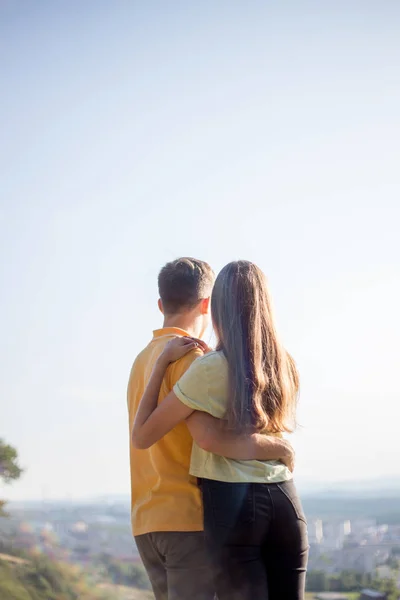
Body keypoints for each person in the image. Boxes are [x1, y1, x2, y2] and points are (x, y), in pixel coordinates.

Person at [132, 260, 309, 600]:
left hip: (233, 505)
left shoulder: (208, 368)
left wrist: (161, 367)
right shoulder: (286, 365)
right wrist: (282, 448)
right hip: (286, 499)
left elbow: (203, 438)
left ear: (218, 309)